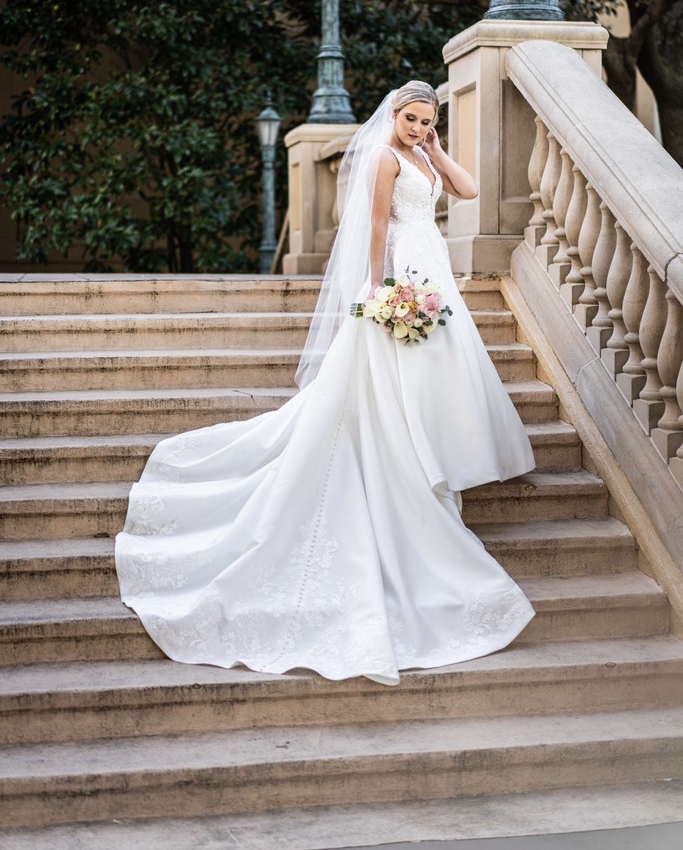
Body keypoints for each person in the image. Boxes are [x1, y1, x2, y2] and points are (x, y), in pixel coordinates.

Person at [115, 81, 536, 686]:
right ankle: (408, 467)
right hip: (401, 277)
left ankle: (430, 459)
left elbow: (468, 190)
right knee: (394, 380)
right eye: (411, 120)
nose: (417, 128)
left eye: (426, 120)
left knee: (436, 374)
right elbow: (372, 226)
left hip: (434, 268)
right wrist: (379, 289)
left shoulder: (423, 154)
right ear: (393, 116)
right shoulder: (384, 158)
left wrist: (437, 151)